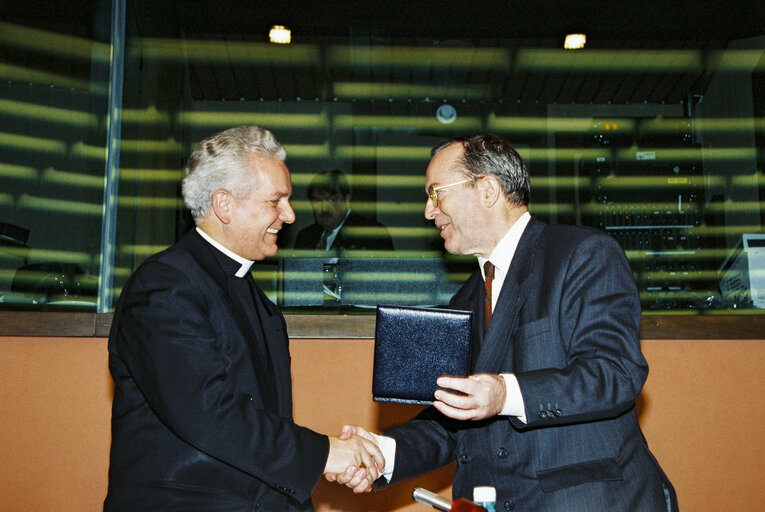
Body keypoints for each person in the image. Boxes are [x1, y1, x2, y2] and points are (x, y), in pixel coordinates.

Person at [336, 134, 678, 511]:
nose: (428, 212)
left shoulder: (582, 255)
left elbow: (614, 373)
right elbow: (456, 415)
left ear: (487, 189)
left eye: (436, 194)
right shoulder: (464, 299)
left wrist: (504, 393)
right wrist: (382, 453)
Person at [104, 125, 383, 511]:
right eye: (276, 200)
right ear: (225, 205)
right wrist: (324, 454)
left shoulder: (252, 295)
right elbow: (206, 412)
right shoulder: (164, 286)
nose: (289, 215)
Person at [294, 169, 394, 252]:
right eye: (317, 201)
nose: (324, 208)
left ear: (347, 200)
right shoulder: (305, 237)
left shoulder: (372, 235)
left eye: (331, 200)